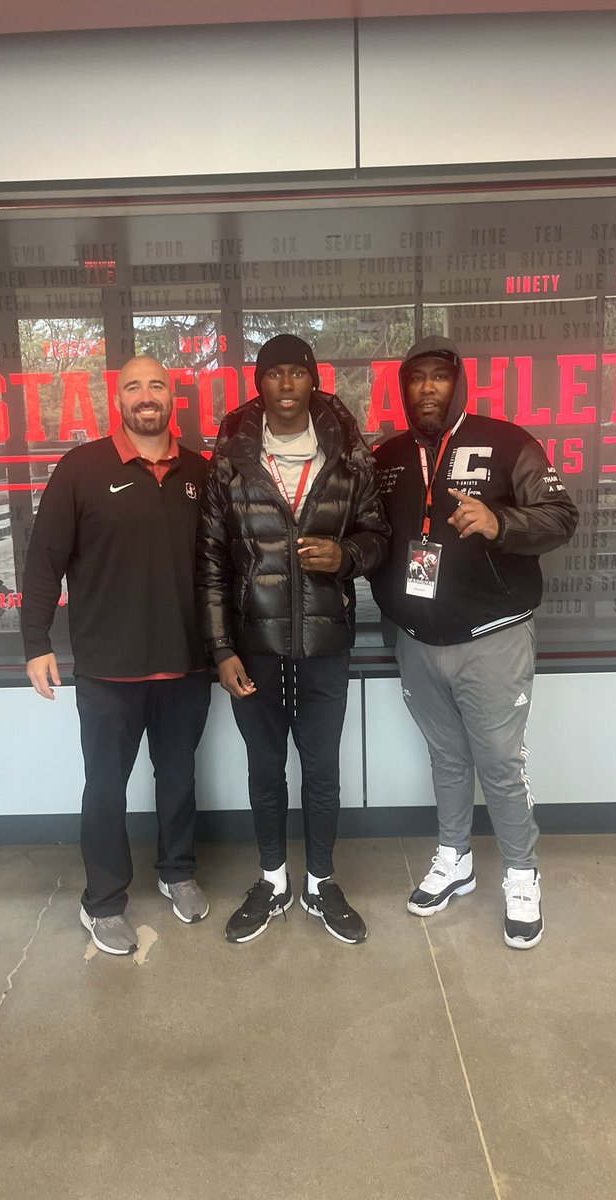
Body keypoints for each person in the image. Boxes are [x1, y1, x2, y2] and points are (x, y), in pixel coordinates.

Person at [370, 335, 579, 949]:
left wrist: (500, 521)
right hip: (416, 639)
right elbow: (374, 534)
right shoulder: (387, 457)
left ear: (456, 384)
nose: (428, 388)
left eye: (439, 377)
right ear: (403, 388)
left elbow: (561, 516)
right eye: (417, 379)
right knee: (447, 756)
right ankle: (455, 858)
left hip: (492, 637)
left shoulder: (507, 442)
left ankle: (520, 874)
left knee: (499, 763)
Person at [197, 334, 388, 945]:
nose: (285, 385)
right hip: (255, 644)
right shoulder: (229, 460)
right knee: (265, 766)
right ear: (258, 385)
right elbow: (210, 564)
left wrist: (347, 553)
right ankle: (274, 880)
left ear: (313, 380)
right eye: (273, 374)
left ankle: (321, 883)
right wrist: (222, 649)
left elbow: (378, 535)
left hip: (327, 644)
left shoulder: (350, 456)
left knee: (323, 768)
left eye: (296, 374)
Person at [21, 356, 212, 956]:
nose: (146, 395)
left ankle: (177, 871)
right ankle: (101, 902)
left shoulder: (200, 474)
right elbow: (43, 559)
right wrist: (35, 645)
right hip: (108, 669)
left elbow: (220, 570)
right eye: (134, 386)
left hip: (187, 663)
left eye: (157, 385)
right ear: (119, 399)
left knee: (179, 778)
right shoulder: (81, 469)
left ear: (172, 398)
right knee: (105, 786)